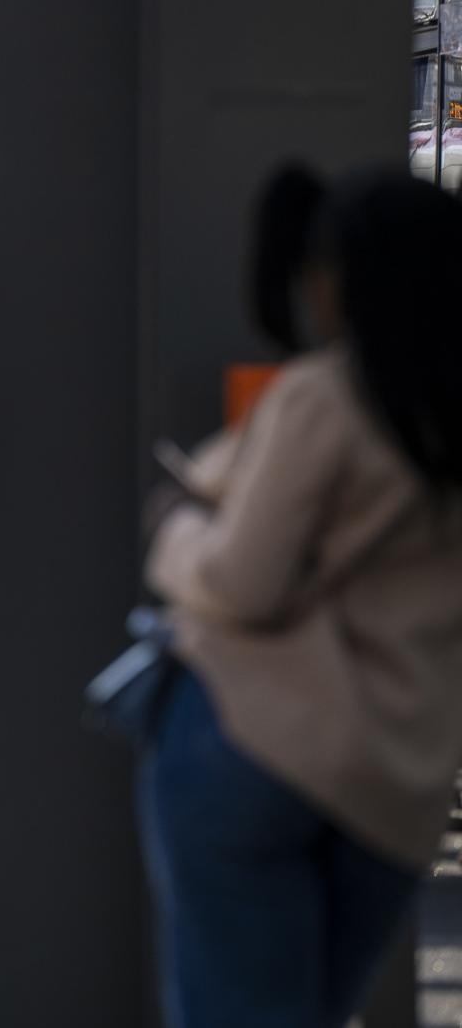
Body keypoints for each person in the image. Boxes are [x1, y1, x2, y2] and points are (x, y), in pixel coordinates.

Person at [138, 167, 462, 1028]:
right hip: (398, 776)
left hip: (250, 742)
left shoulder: (327, 396)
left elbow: (244, 582)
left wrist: (173, 529)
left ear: (340, 280)